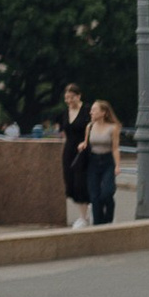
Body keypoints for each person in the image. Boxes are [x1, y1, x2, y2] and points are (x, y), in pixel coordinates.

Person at [58, 83, 92, 230]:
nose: (69, 101)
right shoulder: (65, 112)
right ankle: (87, 209)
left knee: (81, 183)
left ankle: (83, 217)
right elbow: (64, 132)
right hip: (69, 150)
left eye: (71, 97)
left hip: (84, 150)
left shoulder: (87, 110)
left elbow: (93, 127)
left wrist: (86, 142)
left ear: (79, 96)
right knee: (70, 183)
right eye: (67, 98)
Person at [86, 97, 122, 225]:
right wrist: (82, 145)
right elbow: (86, 144)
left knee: (107, 193)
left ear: (103, 112)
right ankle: (98, 225)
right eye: (91, 110)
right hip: (93, 161)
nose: (91, 112)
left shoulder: (113, 127)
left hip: (107, 161)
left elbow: (115, 148)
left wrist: (117, 165)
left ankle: (109, 219)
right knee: (94, 197)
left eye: (94, 110)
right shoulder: (90, 126)